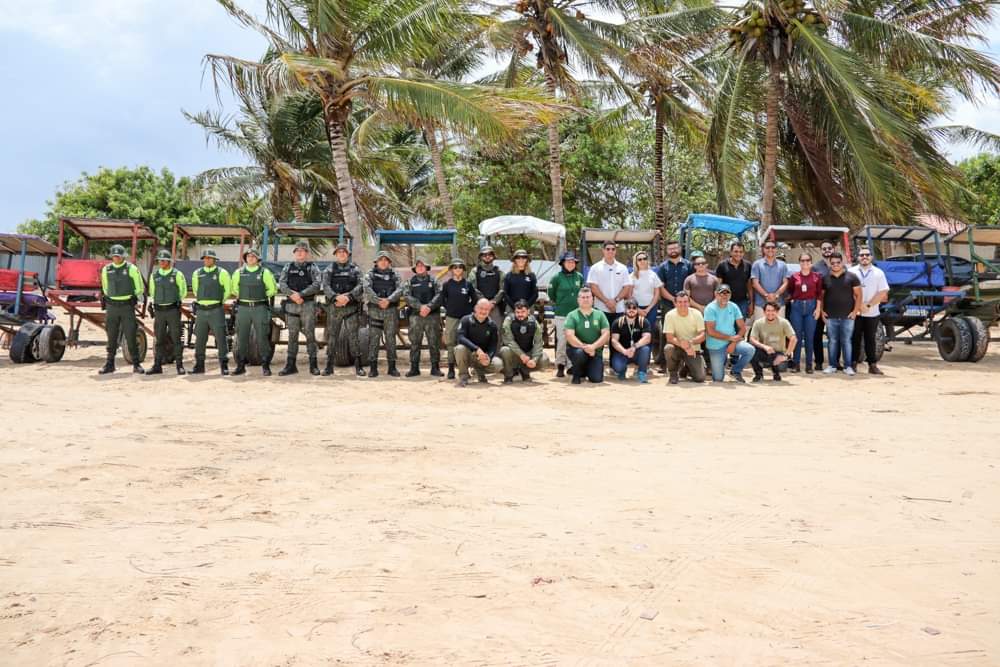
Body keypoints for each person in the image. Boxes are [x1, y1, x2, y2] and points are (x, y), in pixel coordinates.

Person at [98, 244, 145, 375]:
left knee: (130, 335)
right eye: (114, 256)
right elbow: (105, 287)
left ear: (123, 256)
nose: (116, 258)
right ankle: (110, 364)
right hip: (112, 307)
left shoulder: (132, 268)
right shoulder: (106, 269)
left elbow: (139, 287)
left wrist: (132, 297)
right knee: (111, 335)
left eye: (118, 256)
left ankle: (136, 364)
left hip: (126, 307)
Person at [230, 247, 277, 377]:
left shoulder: (264, 272)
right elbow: (233, 289)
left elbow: (272, 289)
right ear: (245, 258)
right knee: (241, 337)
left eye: (253, 256)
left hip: (259, 308)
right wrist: (243, 295)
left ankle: (265, 366)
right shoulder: (239, 272)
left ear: (257, 259)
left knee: (262, 337)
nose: (250, 258)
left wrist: (261, 295)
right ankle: (240, 366)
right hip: (243, 308)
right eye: (248, 256)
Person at [430, 258, 480, 379]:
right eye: (455, 267)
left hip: (465, 318)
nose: (457, 269)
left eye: (460, 267)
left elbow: (474, 300)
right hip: (451, 317)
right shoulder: (447, 284)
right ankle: (451, 369)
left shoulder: (468, 284)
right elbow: (442, 299)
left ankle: (465, 369)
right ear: (452, 270)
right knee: (451, 343)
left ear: (463, 269)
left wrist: (469, 310)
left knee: (466, 342)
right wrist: (449, 308)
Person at [278, 241, 323, 376]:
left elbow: (317, 284)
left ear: (307, 253)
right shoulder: (288, 267)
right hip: (292, 305)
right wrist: (292, 295)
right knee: (292, 335)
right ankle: (290, 365)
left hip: (307, 305)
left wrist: (301, 294)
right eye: (297, 251)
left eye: (302, 251)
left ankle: (313, 365)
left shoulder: (312, 267)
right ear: (294, 253)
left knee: (310, 334)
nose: (300, 253)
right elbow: (282, 283)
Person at [321, 243, 366, 377]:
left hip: (351, 308)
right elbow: (326, 286)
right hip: (335, 308)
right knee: (332, 337)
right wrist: (336, 297)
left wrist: (348, 297)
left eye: (344, 252)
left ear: (348, 254)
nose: (341, 254)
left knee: (354, 337)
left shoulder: (355, 269)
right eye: (339, 252)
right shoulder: (329, 269)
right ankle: (329, 366)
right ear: (336, 254)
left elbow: (361, 285)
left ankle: (358, 367)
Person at [191, 248, 232, 375]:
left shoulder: (222, 273)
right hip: (201, 311)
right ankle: (199, 365)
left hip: (216, 310)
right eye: (205, 258)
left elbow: (228, 290)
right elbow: (196, 290)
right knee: (200, 338)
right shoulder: (197, 273)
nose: (207, 260)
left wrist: (219, 301)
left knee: (221, 338)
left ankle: (224, 365)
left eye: (210, 258)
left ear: (214, 259)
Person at [849, 247, 889, 375]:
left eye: (867, 255)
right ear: (858, 257)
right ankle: (853, 364)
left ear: (871, 257)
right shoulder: (851, 271)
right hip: (855, 311)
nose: (864, 257)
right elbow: (847, 290)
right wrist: (859, 305)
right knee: (854, 338)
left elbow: (883, 291)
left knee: (870, 339)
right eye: (861, 255)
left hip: (872, 312)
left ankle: (872, 365)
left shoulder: (879, 273)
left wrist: (869, 305)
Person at [820, 252, 862, 375]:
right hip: (830, 316)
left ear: (842, 262)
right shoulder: (825, 278)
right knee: (832, 341)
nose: (835, 265)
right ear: (829, 263)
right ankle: (832, 366)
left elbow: (859, 296)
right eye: (833, 263)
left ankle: (848, 366)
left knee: (846, 341)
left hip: (847, 316)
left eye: (838, 262)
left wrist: (855, 312)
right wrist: (822, 311)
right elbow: (821, 297)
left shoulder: (852, 277)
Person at [147, 249, 187, 375]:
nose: (162, 262)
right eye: (160, 260)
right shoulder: (154, 276)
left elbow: (183, 291)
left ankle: (179, 365)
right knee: (159, 339)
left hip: (172, 311)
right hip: (159, 311)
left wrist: (174, 301)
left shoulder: (177, 274)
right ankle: (157, 365)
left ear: (169, 261)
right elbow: (152, 292)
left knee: (176, 339)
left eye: (164, 260)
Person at [363, 251, 403, 377]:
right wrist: (379, 301)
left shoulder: (395, 275)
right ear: (376, 262)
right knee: (374, 339)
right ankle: (373, 368)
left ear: (389, 262)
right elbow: (367, 289)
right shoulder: (370, 274)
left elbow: (400, 289)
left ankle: (392, 368)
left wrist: (389, 300)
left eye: (386, 260)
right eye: (381, 260)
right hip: (375, 310)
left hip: (390, 311)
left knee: (391, 339)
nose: (383, 262)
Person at [704, 284, 754, 383]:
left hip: (732, 342)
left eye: (727, 293)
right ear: (716, 294)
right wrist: (730, 338)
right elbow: (711, 331)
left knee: (750, 350)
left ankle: (736, 371)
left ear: (730, 295)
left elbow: (743, 328)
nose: (724, 296)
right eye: (721, 293)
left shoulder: (733, 306)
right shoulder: (710, 308)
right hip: (716, 345)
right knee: (718, 379)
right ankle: (721, 361)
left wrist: (733, 342)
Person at [548, 251, 584, 378]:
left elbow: (583, 293)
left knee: (574, 340)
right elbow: (551, 294)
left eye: (573, 261)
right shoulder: (556, 278)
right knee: (562, 340)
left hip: (577, 314)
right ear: (563, 263)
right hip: (561, 314)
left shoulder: (579, 277)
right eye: (568, 261)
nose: (571, 263)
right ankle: (560, 365)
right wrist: (561, 303)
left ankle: (571, 365)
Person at [564, 287, 611, 384]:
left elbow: (606, 334)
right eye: (583, 297)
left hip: (595, 352)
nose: (585, 299)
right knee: (580, 354)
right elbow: (569, 335)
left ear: (593, 299)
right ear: (578, 300)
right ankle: (577, 374)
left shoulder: (600, 315)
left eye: (588, 297)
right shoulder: (571, 315)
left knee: (596, 379)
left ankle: (585, 369)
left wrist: (593, 347)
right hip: (577, 350)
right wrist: (584, 347)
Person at [404, 258, 442, 377]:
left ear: (426, 268)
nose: (420, 267)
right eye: (418, 266)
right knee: (415, 343)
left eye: (422, 265)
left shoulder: (434, 280)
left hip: (432, 316)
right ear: (415, 269)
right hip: (416, 316)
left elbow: (440, 294)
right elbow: (406, 296)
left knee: (434, 342)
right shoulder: (410, 282)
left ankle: (435, 368)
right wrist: (420, 307)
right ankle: (414, 368)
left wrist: (429, 307)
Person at [786, 252, 823, 373]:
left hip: (811, 307)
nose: (805, 262)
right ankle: (796, 364)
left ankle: (809, 365)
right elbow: (790, 290)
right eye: (802, 260)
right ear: (799, 262)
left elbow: (819, 294)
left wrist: (818, 309)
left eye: (807, 260)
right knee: (796, 336)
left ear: (811, 262)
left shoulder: (817, 276)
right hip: (797, 307)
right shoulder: (794, 277)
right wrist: (792, 300)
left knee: (809, 337)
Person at [663, 291, 706, 384]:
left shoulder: (697, 314)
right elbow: (669, 337)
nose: (683, 304)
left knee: (700, 378)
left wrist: (690, 343)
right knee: (668, 348)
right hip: (677, 347)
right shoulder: (669, 315)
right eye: (680, 302)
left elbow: (703, 335)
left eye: (685, 301)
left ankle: (686, 368)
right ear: (675, 303)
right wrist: (685, 346)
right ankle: (673, 373)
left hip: (693, 348)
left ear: (689, 303)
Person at [455, 298, 500, 387]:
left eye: (486, 309)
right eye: (481, 308)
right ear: (475, 308)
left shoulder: (492, 325)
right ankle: (464, 376)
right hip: (469, 354)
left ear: (489, 310)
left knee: (498, 364)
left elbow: (493, 345)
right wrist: (477, 349)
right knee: (460, 348)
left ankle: (479, 372)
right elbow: (460, 337)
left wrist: (488, 357)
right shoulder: (465, 319)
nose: (483, 311)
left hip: (482, 357)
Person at [748, 302, 797, 382]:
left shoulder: (784, 322)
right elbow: (752, 339)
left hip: (778, 353)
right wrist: (764, 346)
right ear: (764, 312)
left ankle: (776, 373)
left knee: (781, 367)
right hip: (764, 351)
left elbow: (793, 339)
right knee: (750, 350)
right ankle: (758, 374)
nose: (770, 313)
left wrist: (786, 356)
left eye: (773, 311)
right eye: (768, 310)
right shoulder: (758, 323)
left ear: (777, 312)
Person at [586, 241, 632, 326]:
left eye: (613, 249)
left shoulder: (623, 268)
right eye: (608, 249)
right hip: (600, 309)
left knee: (617, 333)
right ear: (603, 250)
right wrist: (607, 302)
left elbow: (626, 287)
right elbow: (593, 287)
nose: (610, 251)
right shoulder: (595, 268)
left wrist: (615, 301)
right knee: (602, 333)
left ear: (615, 251)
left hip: (619, 309)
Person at [500, 299, 544, 383]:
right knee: (505, 350)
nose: (520, 314)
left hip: (527, 353)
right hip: (513, 353)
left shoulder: (534, 322)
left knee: (544, 359)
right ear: (514, 312)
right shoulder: (508, 321)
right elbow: (509, 341)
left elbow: (538, 342)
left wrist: (534, 359)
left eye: (523, 312)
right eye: (517, 312)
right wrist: (521, 354)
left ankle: (525, 371)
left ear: (528, 311)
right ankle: (509, 375)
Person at [609, 298, 652, 383]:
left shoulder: (643, 321)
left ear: (637, 309)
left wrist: (634, 347)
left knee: (645, 349)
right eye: (629, 307)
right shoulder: (618, 322)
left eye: (634, 308)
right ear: (625, 309)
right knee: (618, 367)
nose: (631, 310)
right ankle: (622, 371)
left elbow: (647, 338)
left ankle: (641, 372)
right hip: (622, 352)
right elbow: (614, 341)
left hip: (637, 352)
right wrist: (624, 351)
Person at [750, 240, 789, 323]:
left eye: (773, 247)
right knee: (760, 330)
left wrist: (776, 295)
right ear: (763, 249)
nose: (770, 249)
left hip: (779, 304)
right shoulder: (757, 264)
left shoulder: (783, 265)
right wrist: (766, 295)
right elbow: (755, 283)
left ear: (776, 249)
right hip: (761, 305)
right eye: (767, 247)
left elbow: (785, 282)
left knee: (779, 330)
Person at [812, 241, 836, 368]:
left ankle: (835, 362)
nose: (827, 250)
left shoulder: (840, 266)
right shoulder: (815, 267)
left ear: (834, 249)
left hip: (835, 306)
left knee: (835, 336)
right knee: (817, 334)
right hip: (820, 305)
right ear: (821, 251)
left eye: (829, 248)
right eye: (824, 248)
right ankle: (819, 362)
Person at [715, 242, 754, 319]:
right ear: (731, 252)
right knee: (727, 324)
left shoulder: (748, 265)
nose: (738, 254)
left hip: (742, 302)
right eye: (736, 251)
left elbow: (749, 285)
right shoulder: (722, 265)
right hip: (726, 301)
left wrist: (751, 303)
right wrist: (718, 301)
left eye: (741, 252)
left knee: (741, 324)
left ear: (743, 253)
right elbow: (718, 286)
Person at [655, 239, 693, 315]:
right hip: (668, 304)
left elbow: (692, 285)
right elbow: (660, 287)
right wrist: (673, 299)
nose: (673, 250)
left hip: (685, 303)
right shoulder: (662, 267)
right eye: (670, 249)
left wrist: (682, 300)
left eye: (675, 248)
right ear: (667, 251)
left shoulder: (688, 265)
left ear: (679, 249)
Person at [472, 246, 505, 327]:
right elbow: (473, 288)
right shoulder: (475, 271)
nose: (487, 256)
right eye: (484, 255)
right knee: (478, 330)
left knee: (496, 329)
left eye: (490, 254)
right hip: (479, 305)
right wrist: (484, 302)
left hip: (495, 306)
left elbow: (502, 289)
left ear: (493, 256)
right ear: (481, 257)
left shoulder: (499, 272)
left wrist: (493, 302)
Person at [629, 250, 664, 323]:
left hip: (651, 308)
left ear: (647, 260)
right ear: (636, 262)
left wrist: (648, 309)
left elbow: (657, 294)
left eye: (644, 258)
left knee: (649, 328)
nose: (642, 261)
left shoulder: (653, 275)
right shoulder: (632, 276)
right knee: (637, 329)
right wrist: (638, 309)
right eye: (639, 259)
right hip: (635, 308)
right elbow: (629, 295)